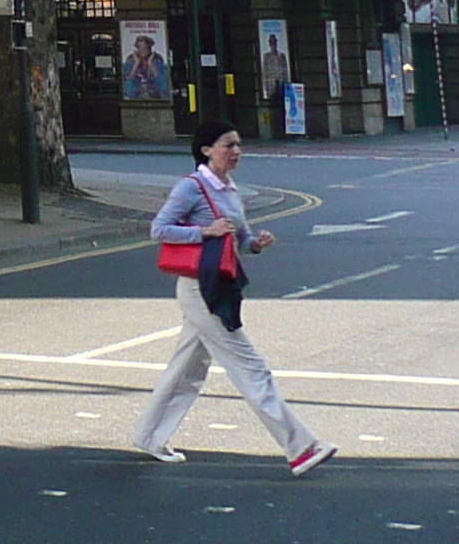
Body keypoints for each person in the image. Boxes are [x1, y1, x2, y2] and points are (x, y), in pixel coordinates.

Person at [133, 118, 334, 474]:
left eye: (239, 144)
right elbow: (159, 229)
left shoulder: (229, 188)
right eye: (228, 145)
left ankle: (150, 436)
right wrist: (203, 231)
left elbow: (240, 238)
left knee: (188, 367)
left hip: (220, 284)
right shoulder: (192, 187)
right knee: (251, 367)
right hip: (200, 288)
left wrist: (255, 244)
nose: (236, 151)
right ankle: (300, 447)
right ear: (207, 149)